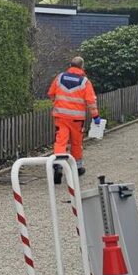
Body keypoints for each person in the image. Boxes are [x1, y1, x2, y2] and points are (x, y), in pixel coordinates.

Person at [47, 56, 99, 184]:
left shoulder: (60, 77)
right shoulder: (84, 82)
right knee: (76, 143)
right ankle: (77, 168)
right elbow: (91, 101)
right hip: (76, 119)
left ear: (70, 65)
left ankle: (58, 166)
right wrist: (96, 116)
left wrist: (58, 103)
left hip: (61, 117)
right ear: (82, 67)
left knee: (61, 142)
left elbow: (51, 93)